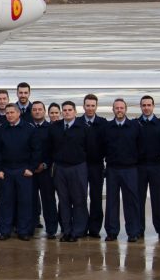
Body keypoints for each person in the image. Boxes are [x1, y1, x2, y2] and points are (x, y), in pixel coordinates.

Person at [46, 101, 95, 242]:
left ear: (75, 112)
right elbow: (49, 148)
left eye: (70, 110)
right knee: (63, 200)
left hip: (78, 167)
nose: (67, 112)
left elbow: (90, 149)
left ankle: (78, 231)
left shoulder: (84, 128)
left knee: (79, 200)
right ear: (62, 112)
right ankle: (66, 230)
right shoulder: (55, 128)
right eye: (65, 110)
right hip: (60, 168)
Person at [0, 104, 39, 241]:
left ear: (18, 113)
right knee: (5, 202)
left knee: (25, 202)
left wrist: (31, 168)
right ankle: (5, 231)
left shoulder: (29, 129)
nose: (9, 115)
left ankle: (23, 231)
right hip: (6, 171)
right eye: (7, 113)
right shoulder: (1, 129)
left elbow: (36, 151)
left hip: (23, 170)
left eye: (12, 112)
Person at [102, 98, 142, 242]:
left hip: (130, 169)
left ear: (126, 109)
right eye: (117, 108)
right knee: (111, 201)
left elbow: (140, 146)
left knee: (131, 201)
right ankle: (112, 231)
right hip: (112, 169)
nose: (119, 110)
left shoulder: (134, 126)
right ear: (113, 110)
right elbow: (102, 147)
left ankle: (133, 232)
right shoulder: (107, 127)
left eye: (121, 108)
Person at [137, 95, 160, 240]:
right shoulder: (136, 124)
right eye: (144, 105)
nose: (146, 108)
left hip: (157, 166)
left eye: (149, 105)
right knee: (138, 199)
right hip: (139, 167)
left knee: (158, 199)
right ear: (141, 107)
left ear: (153, 106)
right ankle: (138, 229)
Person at [81, 93, 108, 238]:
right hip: (80, 165)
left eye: (93, 106)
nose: (90, 108)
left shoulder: (103, 123)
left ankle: (95, 228)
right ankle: (81, 226)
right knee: (80, 197)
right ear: (83, 106)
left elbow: (108, 144)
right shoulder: (78, 122)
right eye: (88, 105)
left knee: (96, 197)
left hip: (97, 165)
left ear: (96, 106)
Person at [30, 101, 58, 239]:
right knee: (30, 200)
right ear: (31, 112)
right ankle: (29, 227)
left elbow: (54, 150)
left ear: (44, 111)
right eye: (34, 109)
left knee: (48, 200)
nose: (37, 111)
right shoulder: (27, 127)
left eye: (40, 109)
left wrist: (45, 164)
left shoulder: (51, 128)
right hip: (30, 171)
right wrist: (31, 166)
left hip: (46, 171)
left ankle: (51, 229)